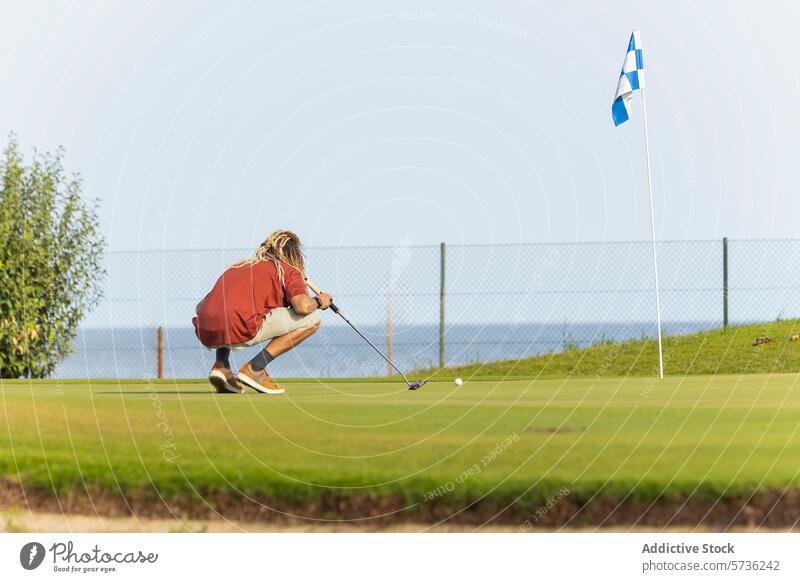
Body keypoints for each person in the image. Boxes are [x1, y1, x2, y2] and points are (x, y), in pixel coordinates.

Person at [192, 230, 332, 394]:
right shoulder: (288, 270)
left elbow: (200, 308)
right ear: (294, 254)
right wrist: (319, 300)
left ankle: (221, 366)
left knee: (228, 309)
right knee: (312, 319)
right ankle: (256, 368)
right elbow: (302, 306)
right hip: (241, 327)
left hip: (206, 332)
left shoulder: (237, 267)